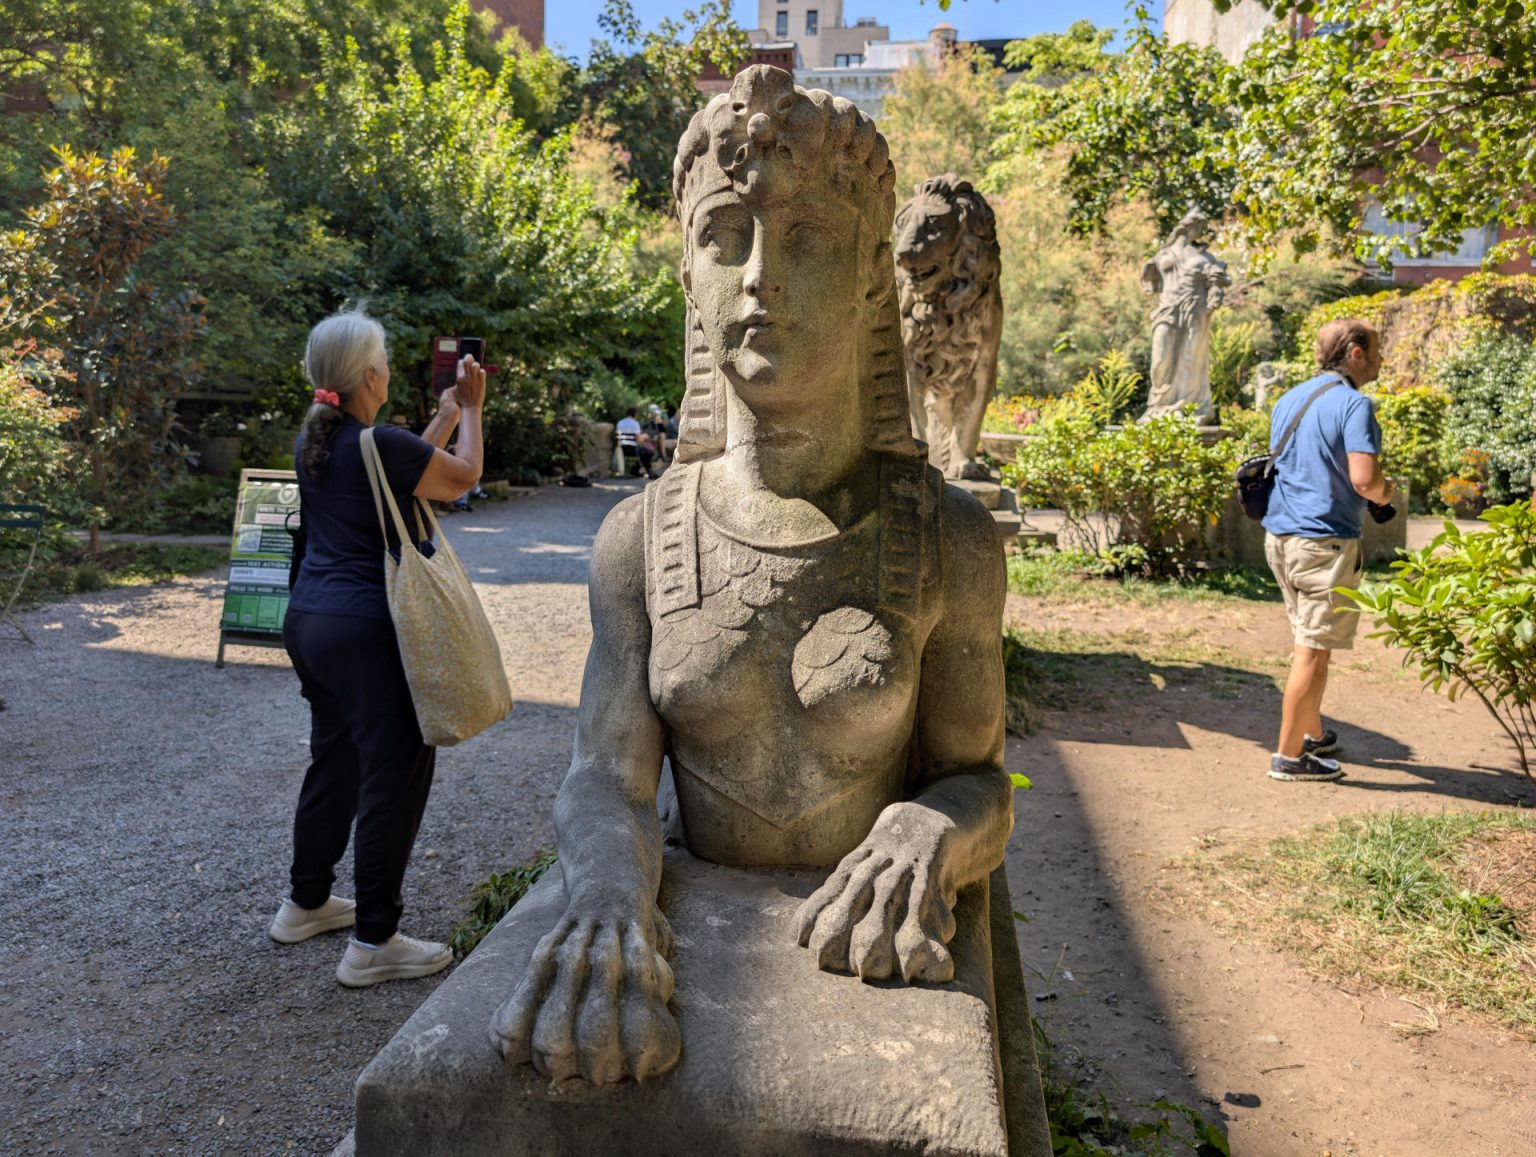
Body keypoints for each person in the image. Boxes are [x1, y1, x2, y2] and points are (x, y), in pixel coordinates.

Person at [491, 66, 1011, 1083]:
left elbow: (981, 778)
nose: (761, 275)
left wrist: (928, 827)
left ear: (871, 272)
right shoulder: (640, 539)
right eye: (726, 235)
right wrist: (606, 894)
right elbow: (605, 777)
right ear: (689, 270)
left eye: (808, 237)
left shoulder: (948, 540)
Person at [269, 306, 490, 986]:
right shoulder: (377, 443)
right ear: (370, 374)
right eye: (386, 358)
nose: (390, 367)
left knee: (335, 759)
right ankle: (374, 940)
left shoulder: (321, 438)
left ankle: (304, 903)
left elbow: (403, 466)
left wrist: (446, 413)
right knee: (393, 772)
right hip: (369, 628)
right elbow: (461, 478)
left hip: (311, 621)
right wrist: (474, 413)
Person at [1262, 317, 1393, 782]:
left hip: (1281, 539)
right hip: (1324, 542)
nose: (1381, 359)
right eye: (1376, 350)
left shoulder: (1291, 398)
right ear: (1355, 353)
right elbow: (1364, 479)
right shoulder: (1355, 405)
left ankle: (1312, 733)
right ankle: (1288, 757)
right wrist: (1385, 492)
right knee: (1312, 651)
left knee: (1309, 640)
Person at [615, 406, 657, 479]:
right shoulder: (635, 423)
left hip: (623, 448)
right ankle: (649, 472)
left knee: (644, 452)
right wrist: (644, 436)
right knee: (649, 452)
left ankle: (636, 471)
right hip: (633, 449)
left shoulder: (620, 422)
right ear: (634, 414)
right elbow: (639, 440)